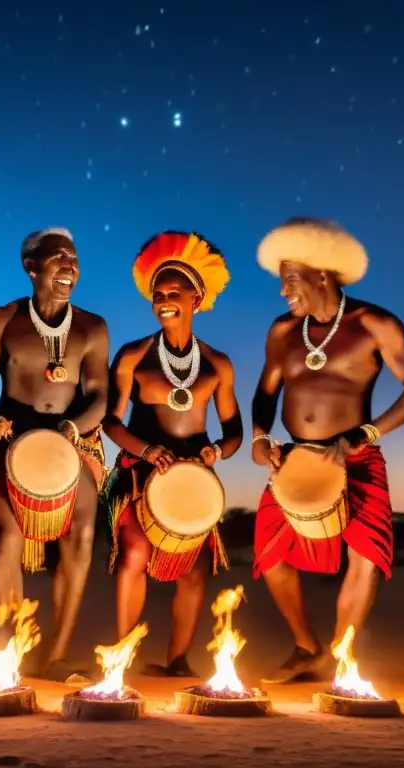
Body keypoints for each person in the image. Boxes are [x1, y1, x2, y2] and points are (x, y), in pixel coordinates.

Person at [249, 216, 404, 683]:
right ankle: (306, 647)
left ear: (322, 274)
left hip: (355, 457)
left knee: (366, 558)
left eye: (290, 281)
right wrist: (258, 435)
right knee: (270, 556)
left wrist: (366, 434)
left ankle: (344, 659)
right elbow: (265, 391)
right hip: (294, 460)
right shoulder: (282, 332)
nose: (282, 292)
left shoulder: (373, 324)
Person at [0, 228, 109, 681]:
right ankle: (11, 648)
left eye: (74, 260)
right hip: (13, 447)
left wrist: (74, 426)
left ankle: (57, 654)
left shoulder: (91, 327)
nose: (69, 267)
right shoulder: (1, 320)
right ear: (31, 267)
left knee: (82, 534)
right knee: (7, 538)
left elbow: (100, 396)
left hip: (73, 444)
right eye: (58, 259)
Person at [102, 231, 242, 676]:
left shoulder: (218, 364)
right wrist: (146, 450)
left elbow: (234, 430)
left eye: (174, 293)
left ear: (196, 299)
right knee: (134, 557)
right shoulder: (133, 357)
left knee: (196, 571)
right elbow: (110, 422)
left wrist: (215, 452)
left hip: (193, 478)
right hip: (140, 473)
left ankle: (178, 660)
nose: (163, 300)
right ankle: (122, 656)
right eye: (157, 294)